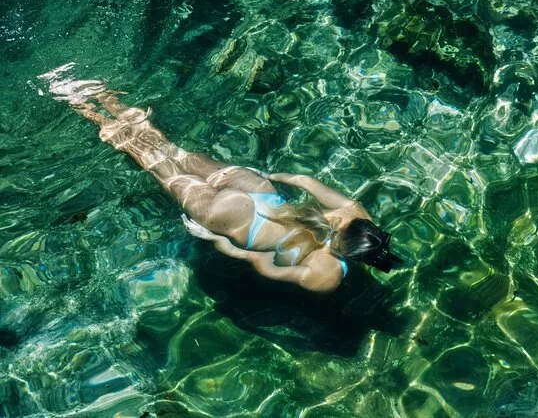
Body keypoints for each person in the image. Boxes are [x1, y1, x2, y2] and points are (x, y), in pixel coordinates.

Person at [46, 77, 403, 293]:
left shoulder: (354, 213)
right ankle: (76, 102)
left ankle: (99, 93)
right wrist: (215, 238)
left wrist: (266, 177)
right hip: (241, 222)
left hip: (259, 191)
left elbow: (302, 180)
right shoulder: (326, 277)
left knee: (171, 150)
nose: (334, 224)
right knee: (156, 163)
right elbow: (260, 263)